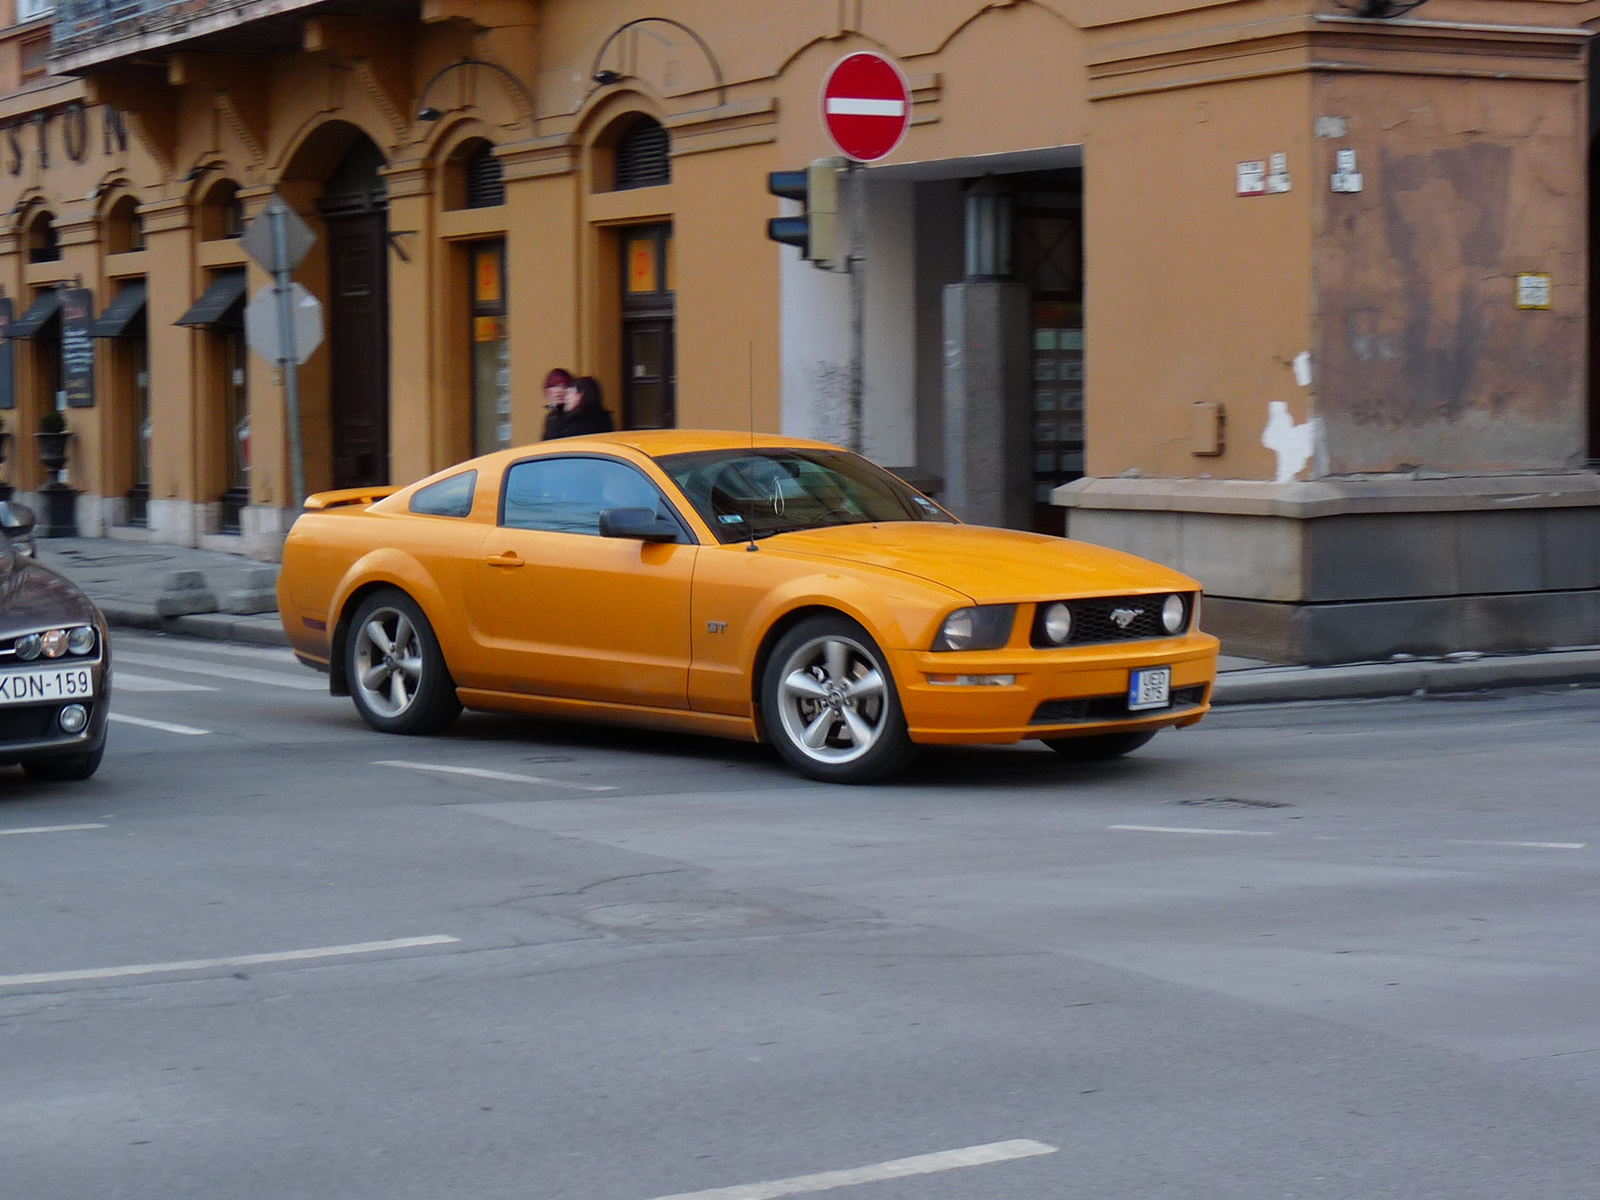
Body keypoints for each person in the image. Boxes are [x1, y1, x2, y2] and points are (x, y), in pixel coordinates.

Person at [543, 374, 615, 440]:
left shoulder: (580, 423)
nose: (566, 397)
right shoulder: (603, 418)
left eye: (570, 393)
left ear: (580, 395)